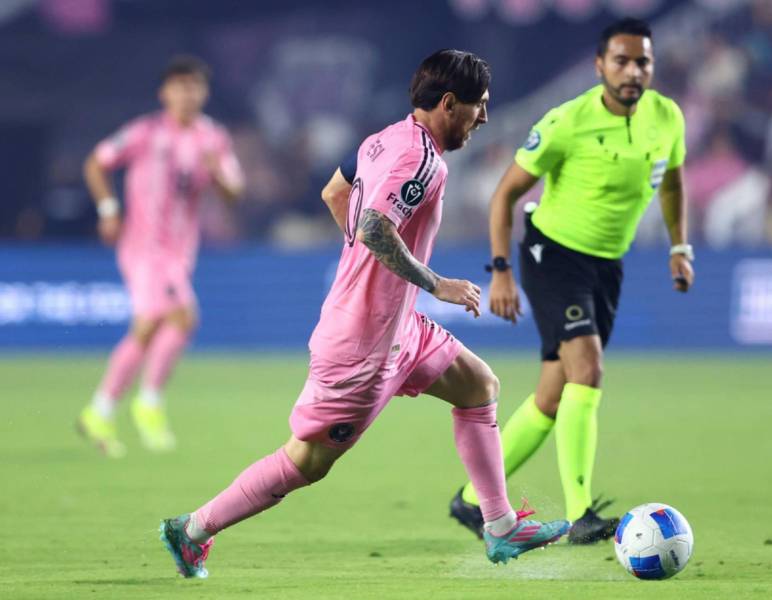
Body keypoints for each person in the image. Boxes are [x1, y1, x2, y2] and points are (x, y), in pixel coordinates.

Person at [159, 49, 569, 579]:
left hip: (399, 328)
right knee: (305, 464)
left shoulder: (381, 140)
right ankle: (191, 529)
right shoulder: (421, 161)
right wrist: (434, 282)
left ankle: (500, 525)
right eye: (479, 106)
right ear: (449, 103)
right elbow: (376, 227)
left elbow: (336, 192)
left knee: (479, 388)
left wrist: (366, 271)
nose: (484, 117)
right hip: (361, 345)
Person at [450, 18, 695, 544]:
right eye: (622, 61)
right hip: (552, 253)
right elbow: (505, 195)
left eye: (642, 62)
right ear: (600, 66)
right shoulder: (568, 121)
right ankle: (583, 513)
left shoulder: (666, 117)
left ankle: (470, 500)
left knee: (552, 396)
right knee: (588, 369)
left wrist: (679, 246)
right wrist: (500, 271)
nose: (633, 71)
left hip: (607, 264)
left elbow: (672, 183)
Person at [77, 55, 244, 457]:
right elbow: (96, 164)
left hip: (181, 251)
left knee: (150, 325)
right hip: (144, 246)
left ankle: (100, 410)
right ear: (164, 92)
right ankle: (148, 403)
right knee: (183, 316)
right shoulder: (145, 132)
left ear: (204, 92)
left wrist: (217, 173)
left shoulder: (213, 138)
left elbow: (235, 192)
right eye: (179, 86)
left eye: (194, 86)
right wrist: (109, 210)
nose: (187, 94)